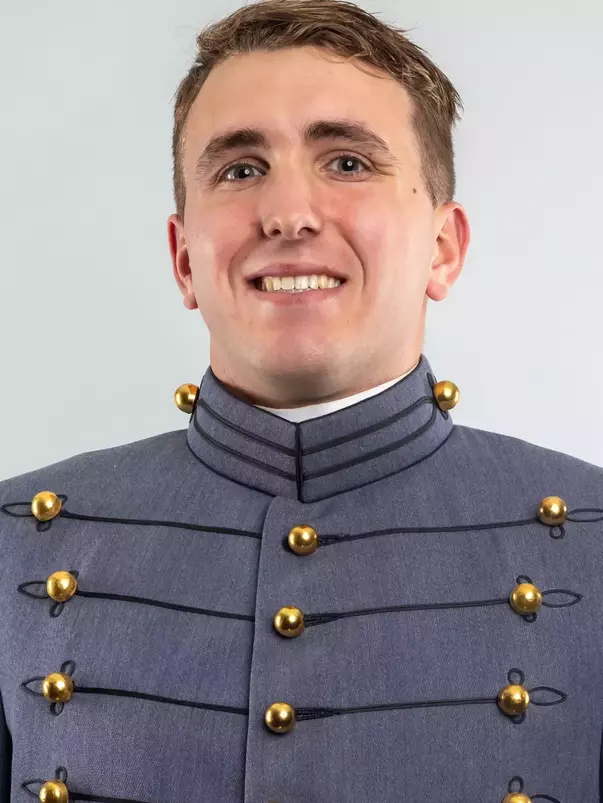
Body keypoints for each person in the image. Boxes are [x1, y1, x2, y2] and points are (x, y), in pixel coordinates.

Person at [1, 0, 601, 800]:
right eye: (240, 170)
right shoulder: (14, 543)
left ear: (442, 247)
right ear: (184, 260)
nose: (287, 214)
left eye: (347, 162)